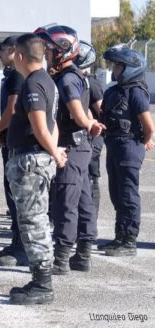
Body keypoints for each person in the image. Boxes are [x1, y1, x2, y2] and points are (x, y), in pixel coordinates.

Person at [35, 24, 104, 275]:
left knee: (66, 202)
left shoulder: (66, 79)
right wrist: (88, 124)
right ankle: (83, 254)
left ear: (62, 51)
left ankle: (62, 258)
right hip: (80, 146)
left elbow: (78, 110)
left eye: (49, 50)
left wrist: (88, 124)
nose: (45, 54)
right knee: (83, 199)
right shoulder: (75, 75)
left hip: (72, 146)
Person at [3, 33, 66, 305]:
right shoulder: (47, 81)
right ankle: (39, 279)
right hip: (35, 158)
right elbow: (53, 124)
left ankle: (43, 284)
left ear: (19, 55)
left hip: (30, 161)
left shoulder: (32, 84)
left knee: (33, 221)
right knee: (34, 219)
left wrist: (54, 151)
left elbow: (41, 126)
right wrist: (55, 148)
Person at [98, 45, 154, 257]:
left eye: (118, 66)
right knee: (117, 193)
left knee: (128, 195)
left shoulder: (136, 92)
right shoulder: (114, 91)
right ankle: (119, 236)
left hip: (128, 147)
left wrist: (144, 141)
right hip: (114, 146)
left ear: (130, 68)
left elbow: (149, 126)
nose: (114, 69)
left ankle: (129, 241)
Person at [0, 35, 27, 267]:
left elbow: (12, 110)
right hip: (10, 141)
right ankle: (16, 243)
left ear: (14, 50)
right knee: (11, 196)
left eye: (2, 50)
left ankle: (22, 249)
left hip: (16, 142)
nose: (0, 55)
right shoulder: (12, 75)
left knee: (18, 197)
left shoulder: (16, 76)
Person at [74, 41, 105, 268]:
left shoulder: (90, 83)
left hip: (90, 138)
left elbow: (101, 111)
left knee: (89, 182)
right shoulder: (76, 80)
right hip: (85, 136)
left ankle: (86, 234)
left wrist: (92, 125)